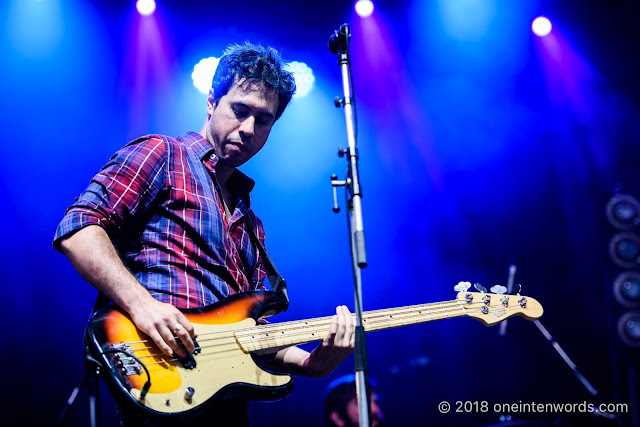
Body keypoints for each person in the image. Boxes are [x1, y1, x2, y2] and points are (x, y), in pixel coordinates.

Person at [54, 42, 355, 426]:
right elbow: (79, 226)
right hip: (159, 375)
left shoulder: (250, 222)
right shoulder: (164, 154)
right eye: (239, 111)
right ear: (212, 101)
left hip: (224, 402)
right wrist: (142, 305)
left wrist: (313, 362)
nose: (247, 129)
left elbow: (249, 333)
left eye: (262, 120)